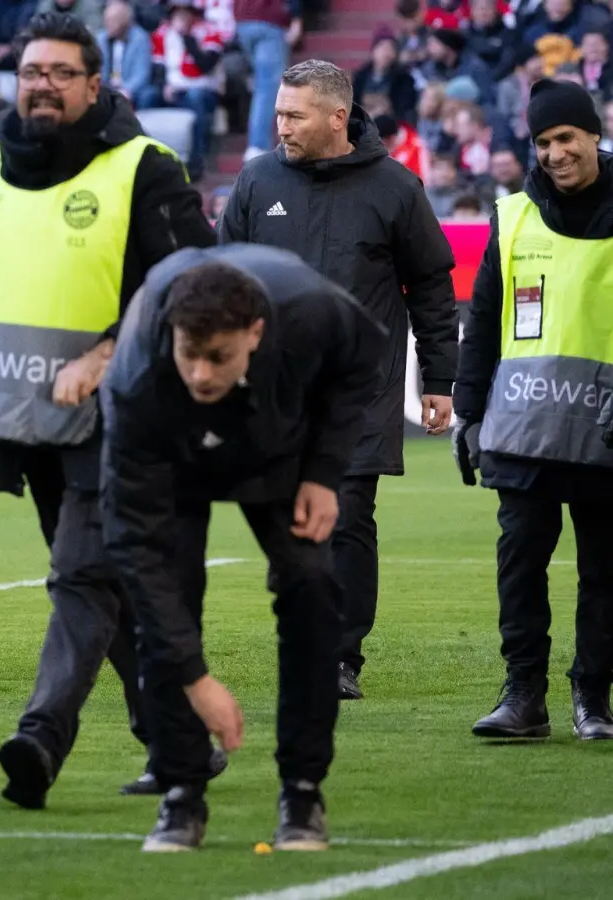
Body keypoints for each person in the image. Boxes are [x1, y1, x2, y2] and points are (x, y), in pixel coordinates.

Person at [0, 11, 220, 808]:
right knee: (111, 591)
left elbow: (196, 286)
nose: (44, 86)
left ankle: (39, 740)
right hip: (29, 426)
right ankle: (180, 740)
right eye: (33, 72)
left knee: (81, 581)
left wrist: (108, 352)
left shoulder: (144, 168)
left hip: (126, 423)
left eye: (63, 73)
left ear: (94, 85)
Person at [100, 244, 387, 852]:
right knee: (164, 601)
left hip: (277, 445)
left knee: (312, 585)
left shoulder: (313, 312)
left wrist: (324, 472)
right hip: (173, 455)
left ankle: (303, 791)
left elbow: (361, 364)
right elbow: (138, 554)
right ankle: (181, 792)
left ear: (255, 334)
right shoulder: (134, 381)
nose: (202, 374)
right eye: (190, 354)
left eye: (218, 357)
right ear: (170, 334)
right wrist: (196, 678)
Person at [216, 59, 459, 701]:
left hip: (360, 391)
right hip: (273, 391)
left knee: (347, 513)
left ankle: (339, 655)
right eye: (279, 113)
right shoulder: (257, 179)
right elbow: (222, 276)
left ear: (337, 118)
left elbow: (432, 286)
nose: (281, 126)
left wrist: (441, 377)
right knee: (284, 518)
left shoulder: (396, 188)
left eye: (294, 116)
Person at [454, 78, 613, 742]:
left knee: (604, 571)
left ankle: (593, 698)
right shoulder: (513, 215)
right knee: (519, 563)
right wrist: (467, 412)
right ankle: (524, 695)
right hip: (524, 426)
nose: (555, 153)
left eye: (566, 137)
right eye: (543, 142)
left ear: (594, 135)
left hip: (604, 427)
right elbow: (483, 320)